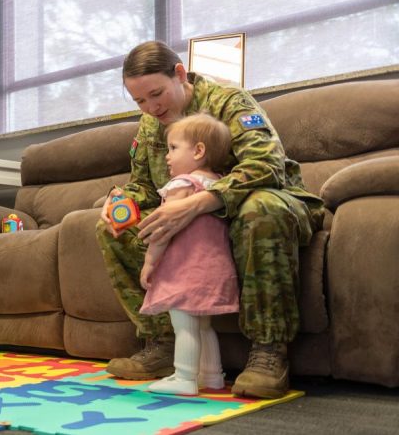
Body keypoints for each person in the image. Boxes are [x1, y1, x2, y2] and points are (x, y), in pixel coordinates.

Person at [97, 40, 324, 399]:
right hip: (194, 224)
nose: (151, 107)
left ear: (180, 74)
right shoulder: (149, 126)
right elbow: (141, 184)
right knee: (115, 228)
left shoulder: (229, 102)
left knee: (260, 208)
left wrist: (202, 201)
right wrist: (119, 200)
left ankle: (268, 351)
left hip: (266, 202)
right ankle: (164, 345)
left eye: (156, 94)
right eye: (140, 101)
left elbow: (266, 166)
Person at [136, 113, 239, 395]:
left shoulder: (181, 185)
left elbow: (162, 229)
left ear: (198, 151)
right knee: (204, 326)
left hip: (186, 269)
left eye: (172, 148)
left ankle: (184, 377)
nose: (167, 157)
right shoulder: (217, 185)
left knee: (184, 325)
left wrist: (149, 261)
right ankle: (212, 376)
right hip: (214, 268)